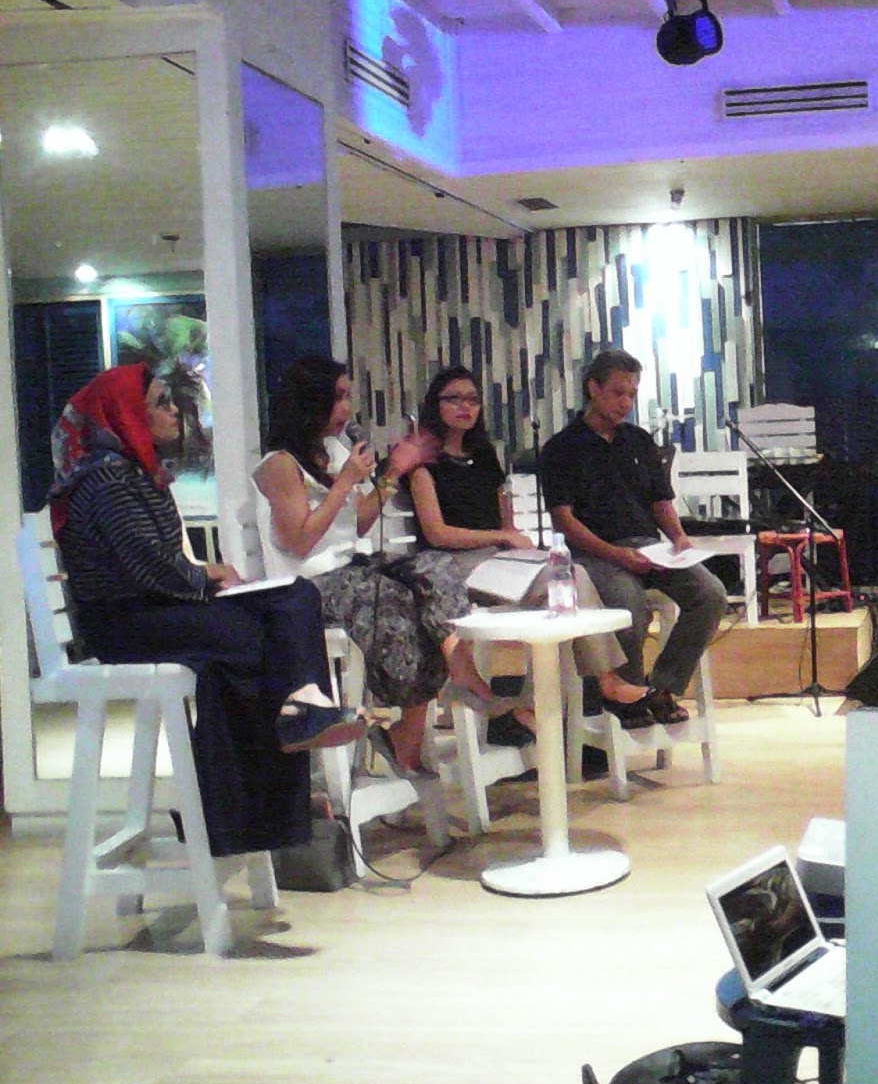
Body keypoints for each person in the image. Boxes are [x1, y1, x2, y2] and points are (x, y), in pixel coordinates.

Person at [50, 365, 363, 857]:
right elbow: (149, 567)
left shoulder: (135, 471)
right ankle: (242, 806)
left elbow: (158, 563)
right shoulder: (106, 480)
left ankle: (302, 709)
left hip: (161, 607)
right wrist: (206, 577)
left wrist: (206, 578)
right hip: (125, 622)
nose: (175, 411)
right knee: (249, 635)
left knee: (297, 597)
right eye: (160, 403)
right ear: (126, 414)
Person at [253, 355, 494, 777]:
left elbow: (358, 523)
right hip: (308, 587)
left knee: (436, 569)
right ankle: (406, 732)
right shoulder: (279, 464)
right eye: (338, 398)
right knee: (396, 603)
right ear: (311, 401)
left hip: (354, 567)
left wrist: (393, 472)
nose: (347, 409)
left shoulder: (333, 450)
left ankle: (459, 667)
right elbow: (299, 541)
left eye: (347, 397)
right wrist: (346, 481)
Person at [406, 364, 650, 739]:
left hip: (496, 558)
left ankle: (544, 700)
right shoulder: (424, 464)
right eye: (453, 399)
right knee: (559, 580)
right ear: (434, 406)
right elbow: (436, 533)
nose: (464, 407)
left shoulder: (483, 456)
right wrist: (501, 537)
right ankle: (603, 680)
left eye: (472, 399)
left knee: (569, 576)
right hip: (452, 563)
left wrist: (514, 541)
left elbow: (504, 521)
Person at [539, 349, 726, 726]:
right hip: (594, 554)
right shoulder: (562, 448)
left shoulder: (639, 441)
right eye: (617, 393)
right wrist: (615, 554)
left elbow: (661, 501)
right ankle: (628, 695)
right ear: (593, 388)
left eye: (631, 394)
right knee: (629, 607)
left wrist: (679, 539)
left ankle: (663, 688)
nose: (625, 403)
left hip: (648, 547)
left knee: (711, 594)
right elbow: (564, 520)